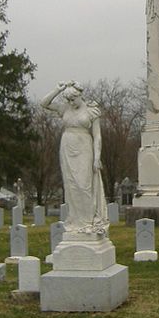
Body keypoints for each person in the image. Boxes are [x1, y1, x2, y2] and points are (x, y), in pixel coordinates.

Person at [41, 81, 108, 234]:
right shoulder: (65, 108)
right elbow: (44, 103)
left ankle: (88, 221)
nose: (71, 103)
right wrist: (57, 90)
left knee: (84, 184)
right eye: (68, 100)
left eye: (73, 99)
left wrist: (97, 157)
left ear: (80, 96)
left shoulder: (91, 110)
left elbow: (97, 136)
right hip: (67, 147)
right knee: (71, 186)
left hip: (84, 146)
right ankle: (76, 222)